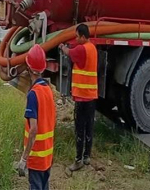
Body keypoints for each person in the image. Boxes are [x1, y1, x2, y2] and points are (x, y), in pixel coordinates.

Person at [16, 45, 56, 190]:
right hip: (47, 155)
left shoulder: (33, 94)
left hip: (37, 157)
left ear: (28, 67)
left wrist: (24, 158)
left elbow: (33, 130)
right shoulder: (48, 89)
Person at [59, 23, 98, 172]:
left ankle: (78, 160)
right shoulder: (92, 48)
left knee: (79, 129)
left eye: (77, 36)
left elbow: (70, 53)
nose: (76, 38)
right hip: (91, 97)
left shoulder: (81, 49)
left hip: (82, 98)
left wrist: (62, 47)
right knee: (89, 127)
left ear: (82, 36)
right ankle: (87, 156)